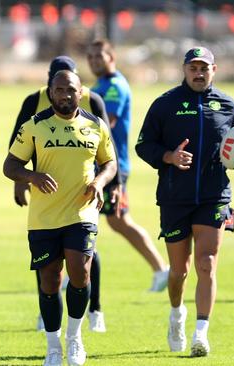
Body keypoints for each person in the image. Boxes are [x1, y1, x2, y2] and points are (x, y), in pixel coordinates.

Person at [136, 47, 234, 357]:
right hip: (175, 197)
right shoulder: (165, 104)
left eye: (204, 67)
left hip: (213, 196)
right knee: (179, 271)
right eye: (193, 67)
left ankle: (201, 333)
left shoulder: (229, 106)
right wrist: (168, 156)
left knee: (207, 263)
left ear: (214, 70)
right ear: (185, 69)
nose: (199, 72)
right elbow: (143, 145)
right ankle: (177, 314)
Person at [4, 70, 117, 366]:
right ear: (50, 92)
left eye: (70, 90)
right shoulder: (35, 126)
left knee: (80, 271)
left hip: (82, 213)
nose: (65, 95)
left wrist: (100, 182)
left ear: (81, 93)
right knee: (50, 280)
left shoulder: (96, 126)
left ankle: (74, 338)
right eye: (59, 90)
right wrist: (33, 176)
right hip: (43, 218)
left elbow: (110, 163)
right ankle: (53, 346)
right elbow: (10, 165)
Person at [87, 39, 170, 299]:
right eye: (90, 57)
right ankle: (160, 269)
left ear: (112, 56)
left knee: (107, 219)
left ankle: (74, 275)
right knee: (115, 220)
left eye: (99, 55)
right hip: (100, 165)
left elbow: (104, 123)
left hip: (112, 167)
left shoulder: (113, 87)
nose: (94, 61)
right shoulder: (100, 85)